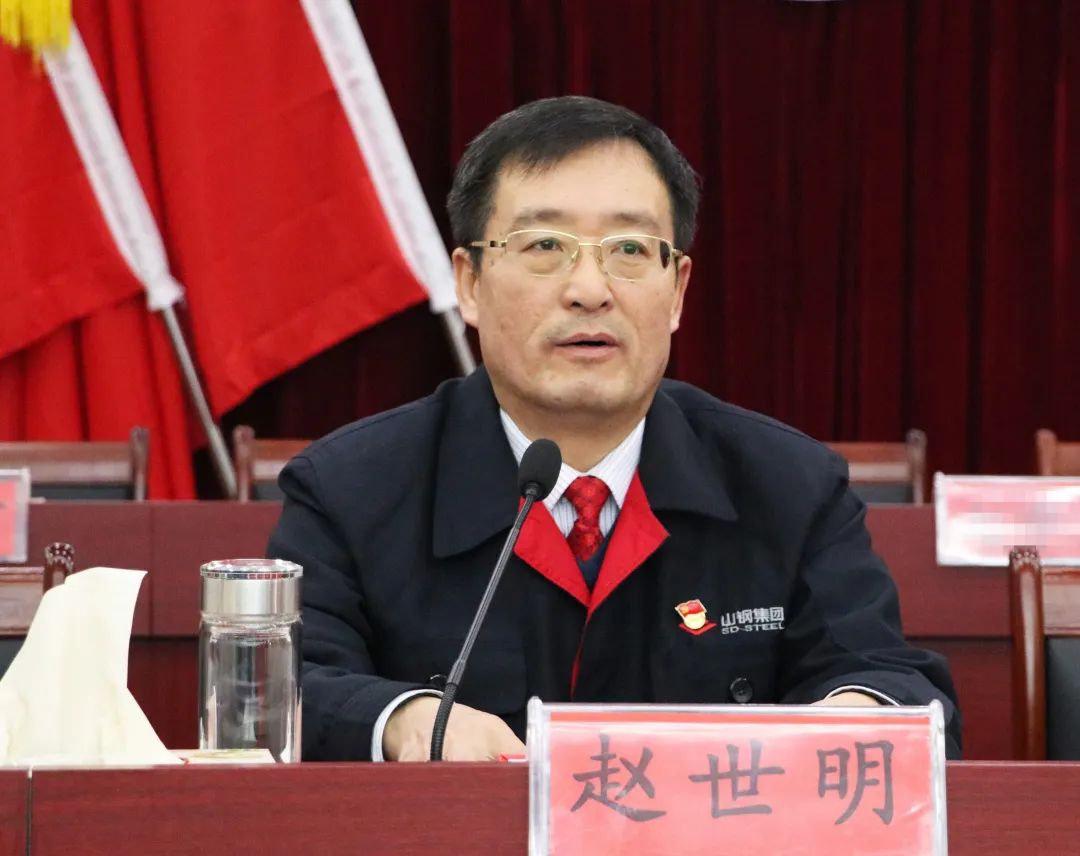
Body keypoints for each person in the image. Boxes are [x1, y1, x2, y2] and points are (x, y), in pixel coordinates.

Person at [267, 96, 961, 763]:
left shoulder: (789, 487)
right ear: (470, 283)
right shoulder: (351, 491)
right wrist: (404, 721)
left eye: (629, 248)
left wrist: (858, 715)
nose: (590, 290)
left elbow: (893, 681)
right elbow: (281, 686)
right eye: (545, 245)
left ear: (678, 290)